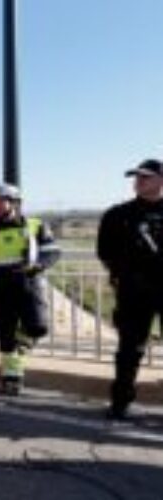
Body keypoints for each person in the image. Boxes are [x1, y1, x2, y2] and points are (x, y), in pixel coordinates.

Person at [0, 183, 60, 395]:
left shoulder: (35, 225)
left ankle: (18, 352)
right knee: (6, 332)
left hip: (29, 283)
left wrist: (38, 265)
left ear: (14, 202)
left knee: (38, 327)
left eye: (0, 201)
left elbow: (52, 251)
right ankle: (11, 376)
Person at [97, 158, 163, 420]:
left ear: (160, 180)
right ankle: (121, 402)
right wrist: (123, 273)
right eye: (137, 177)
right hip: (133, 292)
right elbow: (104, 251)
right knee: (129, 350)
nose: (138, 181)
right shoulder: (118, 214)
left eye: (145, 177)